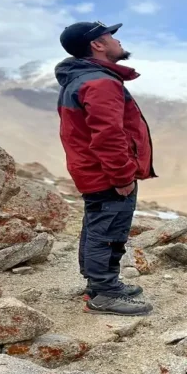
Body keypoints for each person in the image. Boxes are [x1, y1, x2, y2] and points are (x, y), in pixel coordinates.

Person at [55, 21, 156, 316]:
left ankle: (99, 283)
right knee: (109, 230)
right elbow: (109, 136)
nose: (116, 39)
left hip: (90, 169)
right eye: (110, 36)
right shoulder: (100, 83)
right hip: (106, 173)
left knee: (97, 225)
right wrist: (122, 176)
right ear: (97, 45)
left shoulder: (83, 78)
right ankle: (104, 292)